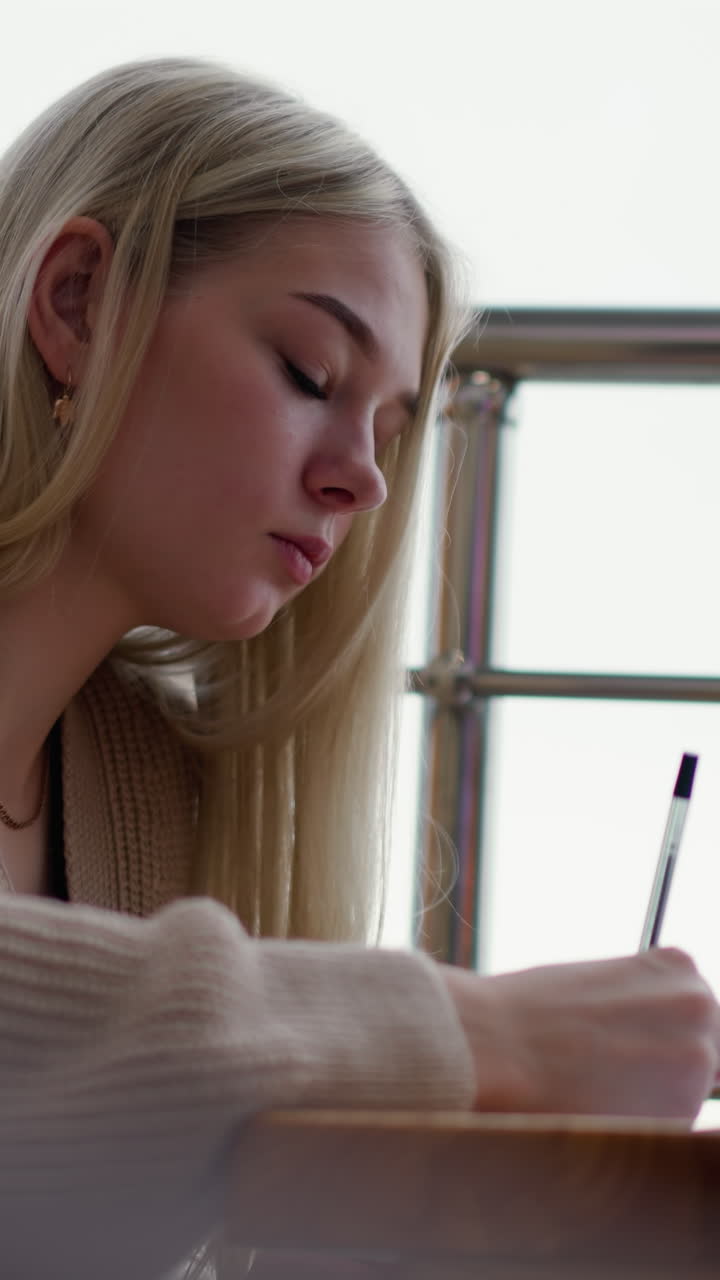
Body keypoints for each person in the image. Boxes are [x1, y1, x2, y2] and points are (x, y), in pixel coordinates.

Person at [0, 55, 718, 1280]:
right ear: (74, 302)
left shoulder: (154, 801)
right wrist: (475, 1028)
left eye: (392, 429)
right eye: (309, 374)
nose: (365, 480)